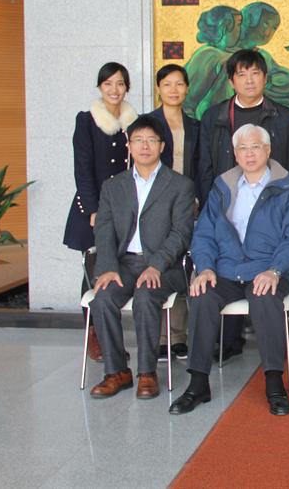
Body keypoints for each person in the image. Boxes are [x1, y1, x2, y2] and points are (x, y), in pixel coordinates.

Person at [170, 124, 289, 416]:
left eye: (255, 147)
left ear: (267, 150)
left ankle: (274, 383)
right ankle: (198, 383)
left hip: (268, 269)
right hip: (226, 269)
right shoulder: (222, 186)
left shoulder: (287, 187)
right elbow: (204, 234)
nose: (249, 154)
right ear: (235, 154)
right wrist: (205, 268)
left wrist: (275, 270)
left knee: (264, 297)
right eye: (242, 149)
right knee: (202, 295)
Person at [87, 116, 196, 400]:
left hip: (165, 266)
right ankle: (116, 372)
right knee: (102, 298)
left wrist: (156, 265)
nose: (144, 146)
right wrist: (107, 267)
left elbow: (181, 234)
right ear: (129, 146)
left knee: (146, 297)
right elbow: (104, 230)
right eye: (138, 140)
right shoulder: (114, 186)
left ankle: (147, 372)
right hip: (123, 264)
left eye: (151, 140)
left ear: (162, 146)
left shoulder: (180, 185)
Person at [63, 62, 138, 363]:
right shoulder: (87, 120)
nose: (114, 89)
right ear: (99, 87)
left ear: (127, 87)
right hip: (93, 208)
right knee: (94, 271)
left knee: (118, 270)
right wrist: (94, 211)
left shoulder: (133, 122)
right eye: (108, 84)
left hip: (125, 209)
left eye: (120, 83)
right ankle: (94, 335)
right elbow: (82, 169)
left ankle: (113, 339)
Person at [197, 48, 289, 203]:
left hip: (273, 202)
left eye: (255, 73)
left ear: (265, 78)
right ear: (231, 82)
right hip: (226, 201)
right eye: (242, 75)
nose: (249, 81)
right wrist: (211, 205)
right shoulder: (213, 117)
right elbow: (205, 168)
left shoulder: (283, 116)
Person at [149, 63, 200, 363]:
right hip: (157, 206)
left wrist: (198, 198)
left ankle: (178, 336)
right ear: (159, 88)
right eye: (167, 84)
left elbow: (201, 166)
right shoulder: (147, 123)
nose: (173, 90)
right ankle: (159, 338)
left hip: (187, 205)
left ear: (187, 88)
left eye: (179, 84)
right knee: (159, 264)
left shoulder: (194, 125)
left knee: (183, 267)